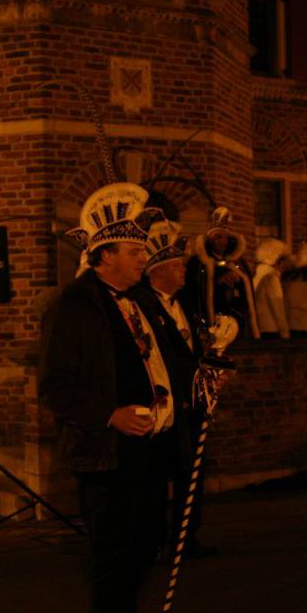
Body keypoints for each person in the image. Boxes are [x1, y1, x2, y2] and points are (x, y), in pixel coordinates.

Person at [39, 182, 179, 613]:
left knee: (147, 541)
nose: (144, 258)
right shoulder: (74, 305)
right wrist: (109, 413)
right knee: (113, 552)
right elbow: (55, 387)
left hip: (151, 447)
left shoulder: (142, 299)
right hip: (107, 452)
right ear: (104, 256)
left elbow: (167, 360)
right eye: (134, 251)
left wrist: (206, 371)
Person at [131, 219, 217, 559]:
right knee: (155, 478)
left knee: (191, 473)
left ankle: (186, 537)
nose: (183, 270)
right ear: (158, 270)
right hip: (163, 405)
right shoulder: (142, 305)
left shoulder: (185, 304)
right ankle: (153, 539)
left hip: (191, 405)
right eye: (177, 265)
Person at [183, 206, 259, 337]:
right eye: (216, 237)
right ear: (209, 240)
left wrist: (237, 280)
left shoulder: (238, 263)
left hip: (235, 320)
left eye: (223, 237)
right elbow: (193, 290)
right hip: (208, 320)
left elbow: (247, 293)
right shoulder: (197, 263)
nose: (220, 241)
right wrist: (217, 281)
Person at [254, 238, 291, 339]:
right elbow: (278, 309)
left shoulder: (257, 274)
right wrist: (285, 333)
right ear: (279, 261)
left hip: (260, 328)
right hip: (271, 330)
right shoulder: (271, 279)